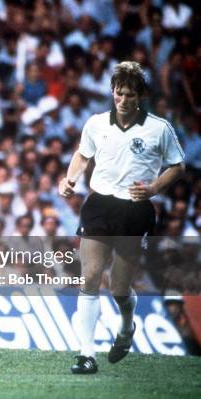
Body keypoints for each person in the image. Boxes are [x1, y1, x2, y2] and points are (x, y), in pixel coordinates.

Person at [58, 61, 185, 374]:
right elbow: (83, 154)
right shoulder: (97, 123)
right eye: (118, 94)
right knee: (89, 277)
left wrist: (154, 187)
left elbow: (177, 165)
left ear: (140, 95)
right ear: (112, 93)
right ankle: (86, 354)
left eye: (129, 94)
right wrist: (70, 178)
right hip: (99, 203)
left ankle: (127, 327)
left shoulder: (159, 128)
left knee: (118, 287)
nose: (123, 100)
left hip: (135, 211)